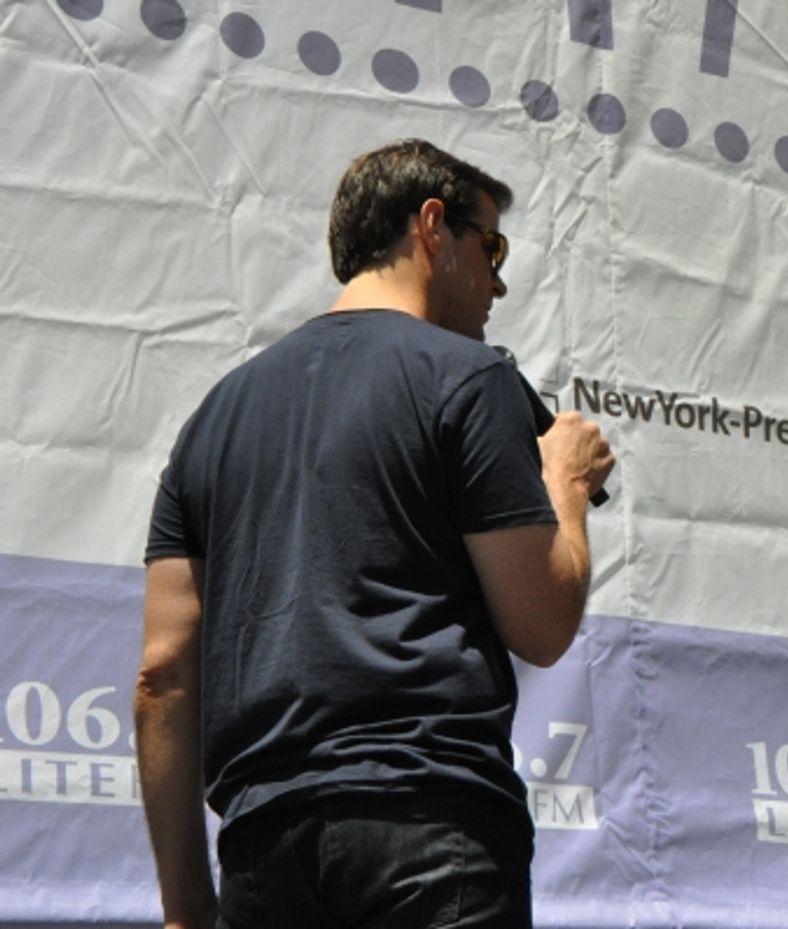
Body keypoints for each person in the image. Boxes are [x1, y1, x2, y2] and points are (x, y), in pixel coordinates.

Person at [134, 139, 614, 929]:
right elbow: (542, 621)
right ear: (431, 226)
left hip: (262, 847)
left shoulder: (210, 421)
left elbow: (161, 676)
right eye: (490, 246)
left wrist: (186, 905)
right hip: (430, 829)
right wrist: (563, 483)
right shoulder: (468, 377)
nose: (499, 280)